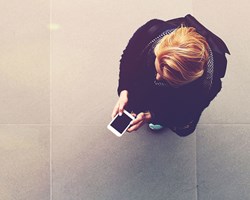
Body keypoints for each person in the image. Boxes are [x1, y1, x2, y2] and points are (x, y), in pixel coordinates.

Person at [111, 14, 230, 137]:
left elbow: (186, 111)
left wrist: (153, 115)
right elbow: (128, 59)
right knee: (140, 95)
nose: (157, 77)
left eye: (167, 79)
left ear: (189, 80)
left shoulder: (208, 84)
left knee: (171, 112)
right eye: (157, 68)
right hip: (147, 82)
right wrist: (125, 91)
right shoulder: (150, 31)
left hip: (175, 97)